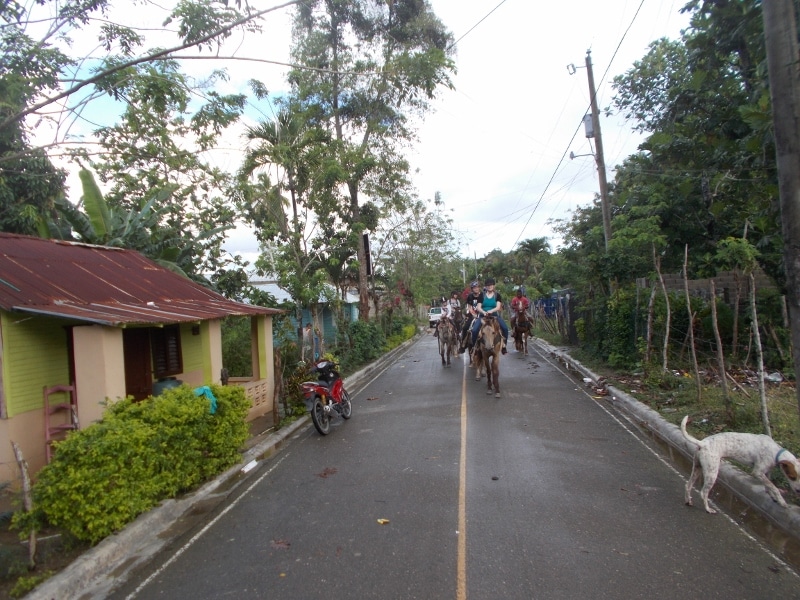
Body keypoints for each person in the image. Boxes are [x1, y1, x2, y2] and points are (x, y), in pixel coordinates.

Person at [470, 277, 508, 354]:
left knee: (505, 328)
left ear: (493, 286)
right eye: (488, 285)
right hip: (483, 316)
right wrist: (483, 312)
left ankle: (504, 345)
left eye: (491, 285)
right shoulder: (482, 295)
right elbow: (478, 307)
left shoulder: (497, 295)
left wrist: (491, 311)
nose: (489, 286)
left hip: (494, 316)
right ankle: (474, 347)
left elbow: (498, 307)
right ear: (486, 286)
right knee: (474, 330)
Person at [458, 281, 483, 353]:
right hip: (472, 315)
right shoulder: (470, 296)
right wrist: (473, 314)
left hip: (482, 314)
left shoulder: (483, 295)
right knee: (465, 327)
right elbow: (469, 307)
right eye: (474, 288)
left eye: (477, 287)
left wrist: (481, 313)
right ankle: (463, 344)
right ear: (472, 289)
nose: (476, 289)